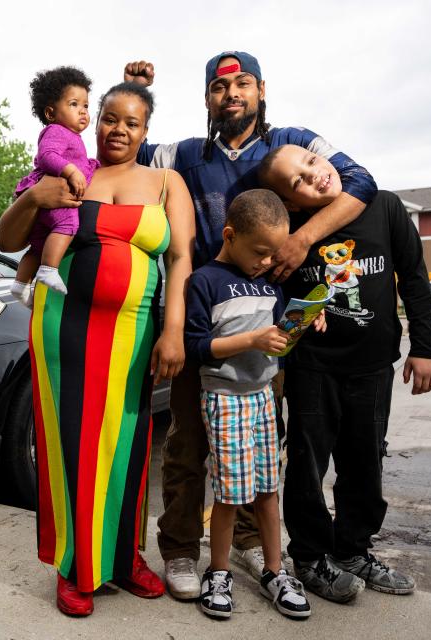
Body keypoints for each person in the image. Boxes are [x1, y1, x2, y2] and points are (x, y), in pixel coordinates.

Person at [123, 51, 378, 599]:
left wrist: (303, 238)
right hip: (202, 315)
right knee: (190, 445)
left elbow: (361, 180)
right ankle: (181, 550)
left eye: (241, 84)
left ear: (261, 90)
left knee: (262, 447)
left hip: (271, 322)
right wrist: (134, 87)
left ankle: (243, 538)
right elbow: (130, 147)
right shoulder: (186, 154)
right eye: (219, 87)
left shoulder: (291, 143)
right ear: (208, 98)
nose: (231, 94)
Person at [0, 82, 196, 616]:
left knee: (128, 447)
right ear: (97, 120)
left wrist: (172, 330)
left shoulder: (165, 182)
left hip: (133, 332)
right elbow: (9, 240)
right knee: (70, 446)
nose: (118, 129)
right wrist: (33, 197)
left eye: (131, 122)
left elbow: (180, 260)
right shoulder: (70, 170)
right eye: (109, 117)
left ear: (146, 131)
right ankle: (74, 567)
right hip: (63, 326)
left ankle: (125, 558)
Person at [257, 143, 431, 602]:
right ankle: (311, 555)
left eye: (312, 163)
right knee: (307, 464)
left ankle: (353, 549)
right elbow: (272, 291)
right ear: (292, 203)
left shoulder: (385, 207)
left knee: (364, 460)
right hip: (313, 366)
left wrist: (426, 347)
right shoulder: (292, 232)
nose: (312, 176)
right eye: (297, 181)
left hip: (373, 364)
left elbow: (415, 278)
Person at [184, 189, 317, 620]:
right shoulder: (205, 280)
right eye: (260, 251)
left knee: (267, 490)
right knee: (229, 493)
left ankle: (275, 572)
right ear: (229, 235)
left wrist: (302, 320)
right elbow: (197, 346)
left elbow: (278, 339)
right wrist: (252, 339)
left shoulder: (268, 284)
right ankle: (218, 572)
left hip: (263, 396)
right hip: (225, 399)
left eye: (273, 254)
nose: (266, 262)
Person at [10, 67, 100, 305]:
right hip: (53, 195)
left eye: (86, 106)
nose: (82, 111)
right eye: (74, 104)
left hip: (44, 201)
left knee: (38, 245)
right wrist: (71, 170)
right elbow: (46, 156)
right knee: (69, 223)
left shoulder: (69, 135)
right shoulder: (57, 131)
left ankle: (20, 285)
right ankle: (48, 270)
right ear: (51, 112)